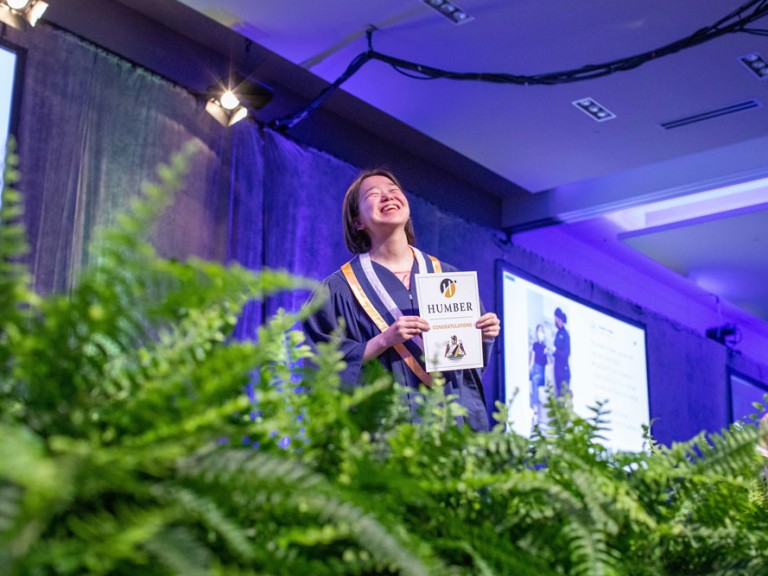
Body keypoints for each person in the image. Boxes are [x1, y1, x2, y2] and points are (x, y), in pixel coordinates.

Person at [302, 169, 500, 431]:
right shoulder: (338, 290)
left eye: (394, 190)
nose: (388, 196)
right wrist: (383, 340)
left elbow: (466, 369)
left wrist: (483, 337)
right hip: (381, 434)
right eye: (373, 195)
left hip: (449, 428)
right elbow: (319, 366)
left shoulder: (448, 278)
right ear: (357, 222)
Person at [529, 324, 547, 422]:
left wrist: (547, 353)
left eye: (541, 331)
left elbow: (548, 365)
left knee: (535, 380)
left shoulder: (545, 347)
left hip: (541, 373)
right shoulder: (535, 345)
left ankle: (534, 407)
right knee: (529, 374)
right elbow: (532, 359)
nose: (539, 333)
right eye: (538, 331)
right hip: (535, 367)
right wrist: (529, 368)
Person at [552, 307, 571, 398]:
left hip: (563, 370)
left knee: (562, 397)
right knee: (558, 393)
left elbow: (567, 353)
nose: (556, 321)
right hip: (557, 368)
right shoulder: (557, 333)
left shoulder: (565, 335)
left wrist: (556, 352)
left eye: (557, 319)